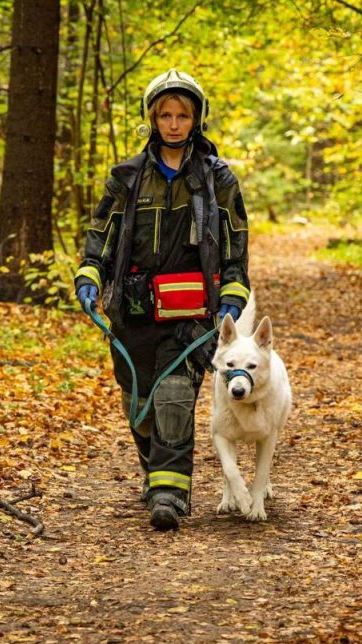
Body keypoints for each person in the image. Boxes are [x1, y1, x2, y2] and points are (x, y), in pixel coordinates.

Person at [73, 68, 251, 531]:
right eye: (166, 115)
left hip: (193, 314)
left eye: (183, 115)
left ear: (196, 120)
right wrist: (90, 275)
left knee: (174, 396)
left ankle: (169, 494)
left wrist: (232, 294)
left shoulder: (218, 180)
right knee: (141, 405)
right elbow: (101, 235)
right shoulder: (126, 178)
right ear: (152, 119)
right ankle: (155, 471)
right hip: (131, 311)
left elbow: (236, 244)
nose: (174, 124)